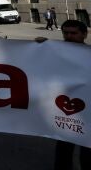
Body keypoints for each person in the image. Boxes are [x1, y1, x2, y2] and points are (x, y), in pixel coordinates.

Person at [36, 19, 91, 170]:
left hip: (87, 111)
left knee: (87, 151)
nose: (69, 36)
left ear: (84, 34)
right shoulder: (56, 51)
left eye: (74, 33)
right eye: (66, 33)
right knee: (64, 148)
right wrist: (42, 47)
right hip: (65, 110)